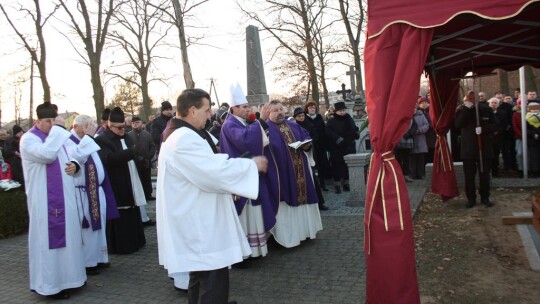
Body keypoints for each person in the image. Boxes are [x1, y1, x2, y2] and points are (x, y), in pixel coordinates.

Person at [156, 88, 268, 304]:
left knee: (200, 277)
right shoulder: (184, 139)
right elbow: (212, 172)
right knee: (212, 280)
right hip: (200, 223)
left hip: (197, 216)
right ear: (191, 110)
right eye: (207, 110)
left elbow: (210, 165)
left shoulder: (181, 134)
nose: (210, 115)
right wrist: (250, 165)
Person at [20, 101, 86, 299]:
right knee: (48, 243)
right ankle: (49, 286)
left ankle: (70, 279)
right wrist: (58, 129)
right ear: (37, 121)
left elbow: (76, 155)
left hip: (66, 199)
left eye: (53, 121)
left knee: (70, 240)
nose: (51, 125)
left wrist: (75, 165)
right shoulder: (29, 140)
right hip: (44, 202)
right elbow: (47, 155)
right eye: (47, 121)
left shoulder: (58, 138)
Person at [219, 84, 278, 258]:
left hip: (247, 174)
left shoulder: (240, 122)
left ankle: (254, 249)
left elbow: (255, 138)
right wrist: (260, 120)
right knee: (245, 215)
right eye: (244, 107)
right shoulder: (230, 124)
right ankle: (244, 253)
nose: (248, 109)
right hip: (240, 177)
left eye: (248, 107)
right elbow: (245, 140)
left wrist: (259, 123)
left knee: (253, 213)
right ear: (234, 108)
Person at [266, 100, 323, 248]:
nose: (279, 113)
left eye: (281, 109)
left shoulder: (293, 125)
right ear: (269, 113)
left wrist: (307, 145)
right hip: (283, 175)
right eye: (275, 110)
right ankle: (288, 238)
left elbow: (307, 139)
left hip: (301, 171)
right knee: (285, 204)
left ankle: (306, 232)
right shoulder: (265, 129)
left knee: (305, 199)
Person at [69, 115, 120, 275]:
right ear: (76, 126)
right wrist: (89, 137)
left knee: (100, 225)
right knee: (88, 228)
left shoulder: (88, 140)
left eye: (91, 124)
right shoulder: (70, 142)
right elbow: (77, 159)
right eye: (87, 125)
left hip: (97, 190)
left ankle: (100, 257)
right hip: (84, 193)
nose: (90, 128)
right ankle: (89, 262)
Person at [95, 107, 147, 254]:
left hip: (131, 177)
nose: (121, 130)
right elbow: (108, 159)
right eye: (118, 128)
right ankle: (122, 245)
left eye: (123, 126)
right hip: (116, 180)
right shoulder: (102, 140)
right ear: (109, 126)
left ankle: (137, 240)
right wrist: (131, 153)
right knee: (122, 212)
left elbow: (134, 152)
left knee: (133, 207)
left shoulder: (127, 137)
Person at [455, 90, 497, 208]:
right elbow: (458, 124)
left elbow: (495, 125)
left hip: (484, 148)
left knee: (484, 175)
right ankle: (471, 198)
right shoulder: (462, 110)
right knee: (469, 175)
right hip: (469, 149)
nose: (473, 100)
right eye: (471, 98)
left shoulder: (486, 109)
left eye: (475, 98)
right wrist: (467, 108)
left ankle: (485, 197)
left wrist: (484, 129)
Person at [294, 107, 328, 210]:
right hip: (298, 155)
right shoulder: (293, 126)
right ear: (295, 117)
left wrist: (310, 142)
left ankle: (319, 203)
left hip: (311, 153)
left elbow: (315, 136)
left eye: (303, 115)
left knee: (314, 180)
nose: (301, 117)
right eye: (299, 116)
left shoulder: (309, 125)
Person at [326, 101, 359, 193]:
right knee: (337, 166)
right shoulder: (331, 121)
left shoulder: (349, 118)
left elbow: (354, 128)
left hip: (349, 146)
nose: (342, 112)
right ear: (336, 111)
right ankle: (337, 185)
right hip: (337, 147)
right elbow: (329, 132)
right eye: (340, 111)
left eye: (343, 110)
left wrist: (356, 133)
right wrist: (338, 139)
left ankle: (346, 183)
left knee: (347, 166)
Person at [303, 100, 331, 191]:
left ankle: (323, 184)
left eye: (314, 107)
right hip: (311, 145)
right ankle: (314, 186)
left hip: (321, 145)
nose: (312, 109)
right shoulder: (305, 118)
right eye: (310, 108)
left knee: (321, 165)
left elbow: (324, 130)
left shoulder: (319, 117)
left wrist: (326, 143)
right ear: (307, 109)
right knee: (312, 165)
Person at [128, 116, 156, 202]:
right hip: (135, 161)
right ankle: (138, 195)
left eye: (137, 122)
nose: (135, 124)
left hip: (146, 161)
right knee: (137, 179)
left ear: (141, 123)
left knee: (147, 178)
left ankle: (148, 194)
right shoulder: (128, 135)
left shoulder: (147, 134)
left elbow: (152, 146)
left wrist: (149, 157)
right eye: (133, 123)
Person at [488, 97, 509, 177]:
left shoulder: (503, 113)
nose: (493, 104)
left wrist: (498, 131)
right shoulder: (485, 112)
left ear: (498, 105)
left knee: (496, 156)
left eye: (495, 103)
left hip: (498, 137)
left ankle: (495, 172)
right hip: (488, 138)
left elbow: (504, 124)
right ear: (489, 104)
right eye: (492, 102)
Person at [409, 106, 429, 179]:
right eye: (412, 108)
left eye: (415, 108)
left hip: (420, 140)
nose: (414, 110)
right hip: (411, 140)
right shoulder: (408, 116)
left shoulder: (421, 115)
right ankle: (412, 175)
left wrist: (419, 130)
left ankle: (420, 174)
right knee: (412, 159)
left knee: (421, 158)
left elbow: (426, 125)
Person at [526, 102, 540, 177]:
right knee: (533, 156)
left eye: (536, 108)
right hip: (532, 140)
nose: (535, 110)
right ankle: (534, 171)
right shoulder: (526, 118)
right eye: (533, 108)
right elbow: (525, 129)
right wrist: (533, 134)